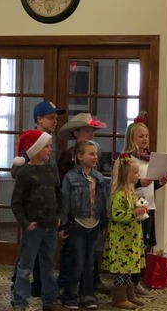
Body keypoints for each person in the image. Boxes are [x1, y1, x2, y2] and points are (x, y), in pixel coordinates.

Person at [11, 100, 65, 297]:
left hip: (49, 208)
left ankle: (42, 290)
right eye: (51, 118)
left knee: (46, 259)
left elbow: (54, 176)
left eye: (56, 118)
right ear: (39, 119)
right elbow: (17, 173)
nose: (54, 121)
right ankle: (18, 288)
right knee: (27, 254)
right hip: (32, 210)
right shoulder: (30, 142)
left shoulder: (52, 141)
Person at [56, 113, 109, 295]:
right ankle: (66, 287)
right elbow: (63, 189)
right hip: (75, 215)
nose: (91, 135)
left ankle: (89, 288)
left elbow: (98, 188)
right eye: (87, 131)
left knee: (88, 256)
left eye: (92, 131)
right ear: (76, 132)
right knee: (72, 255)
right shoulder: (68, 157)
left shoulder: (94, 160)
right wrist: (63, 220)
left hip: (92, 215)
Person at [123, 111, 167, 296]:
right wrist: (138, 182)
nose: (145, 139)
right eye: (140, 136)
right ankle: (130, 283)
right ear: (132, 138)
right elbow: (123, 185)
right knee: (134, 246)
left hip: (149, 206)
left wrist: (159, 183)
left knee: (143, 246)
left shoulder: (148, 158)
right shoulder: (127, 159)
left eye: (146, 136)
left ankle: (137, 280)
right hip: (135, 208)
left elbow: (149, 185)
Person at [101, 153, 147, 310]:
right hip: (121, 239)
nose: (138, 175)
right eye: (135, 172)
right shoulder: (120, 193)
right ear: (126, 174)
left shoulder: (131, 191)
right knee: (121, 270)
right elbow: (117, 215)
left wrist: (138, 209)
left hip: (130, 237)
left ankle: (129, 294)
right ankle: (119, 297)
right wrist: (134, 213)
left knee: (129, 268)